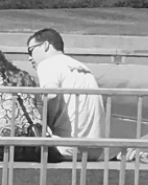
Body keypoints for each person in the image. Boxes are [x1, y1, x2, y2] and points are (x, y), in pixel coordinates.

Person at [24, 27, 105, 155]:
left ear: (45, 45)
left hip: (67, 147)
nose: (29, 58)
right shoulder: (82, 68)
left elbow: (50, 93)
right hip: (95, 149)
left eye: (30, 51)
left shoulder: (48, 64)